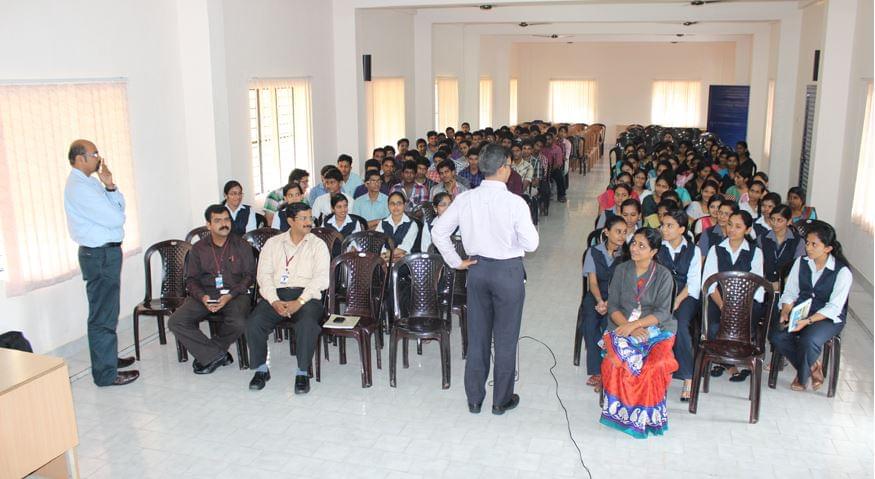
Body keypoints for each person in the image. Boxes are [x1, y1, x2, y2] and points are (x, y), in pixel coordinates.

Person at [432, 143, 539, 415]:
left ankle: (474, 399)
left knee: (478, 336)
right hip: (508, 273)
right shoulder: (516, 202)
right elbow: (532, 243)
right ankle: (500, 401)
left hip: (477, 271)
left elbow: (439, 232)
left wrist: (457, 262)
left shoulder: (466, 199)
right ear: (504, 167)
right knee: (505, 338)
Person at [64, 139, 138, 386]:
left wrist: (110, 186)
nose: (99, 157)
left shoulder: (92, 183)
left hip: (106, 253)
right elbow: (116, 218)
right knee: (102, 315)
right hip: (98, 255)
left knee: (108, 311)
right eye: (94, 153)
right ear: (80, 158)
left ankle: (109, 359)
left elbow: (119, 206)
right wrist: (115, 210)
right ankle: (106, 374)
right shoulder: (79, 187)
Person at [601, 227, 678, 438]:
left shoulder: (663, 275)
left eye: (642, 246)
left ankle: (645, 417)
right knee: (617, 361)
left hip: (657, 330)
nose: (634, 248)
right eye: (634, 243)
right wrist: (627, 327)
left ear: (653, 252)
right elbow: (613, 306)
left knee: (654, 366)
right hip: (622, 325)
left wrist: (635, 326)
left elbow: (663, 312)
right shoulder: (622, 270)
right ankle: (620, 414)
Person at [245, 202, 329, 393]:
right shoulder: (273, 244)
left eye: (310, 218)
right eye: (304, 218)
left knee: (307, 324)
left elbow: (321, 279)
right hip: (277, 294)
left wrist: (299, 301)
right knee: (254, 322)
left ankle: (302, 372)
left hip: (307, 297)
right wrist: (274, 300)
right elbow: (263, 276)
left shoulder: (318, 244)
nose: (309, 222)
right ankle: (261, 368)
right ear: (290, 221)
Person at [168, 205, 256, 374]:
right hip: (206, 293)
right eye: (218, 220)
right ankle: (215, 354)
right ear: (208, 225)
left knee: (238, 322)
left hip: (235, 293)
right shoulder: (199, 248)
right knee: (175, 321)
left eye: (226, 219)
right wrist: (203, 298)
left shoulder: (241, 244)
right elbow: (191, 279)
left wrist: (230, 296)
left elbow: (249, 276)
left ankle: (212, 352)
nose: (224, 224)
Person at [770, 221, 851, 391]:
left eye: (814, 244)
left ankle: (802, 376)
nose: (808, 248)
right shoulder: (801, 262)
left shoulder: (842, 272)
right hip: (802, 310)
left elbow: (835, 307)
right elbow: (790, 291)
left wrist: (807, 322)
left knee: (809, 339)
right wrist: (785, 310)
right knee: (777, 336)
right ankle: (813, 366)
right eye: (807, 243)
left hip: (827, 317)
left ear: (827, 248)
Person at [701, 210, 765, 381]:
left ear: (747, 229)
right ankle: (728, 364)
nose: (732, 229)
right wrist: (724, 306)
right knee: (714, 327)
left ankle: (732, 360)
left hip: (747, 305)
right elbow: (709, 283)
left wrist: (738, 309)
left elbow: (757, 286)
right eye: (730, 224)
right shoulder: (716, 250)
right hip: (719, 301)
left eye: (738, 226)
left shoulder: (755, 252)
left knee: (743, 329)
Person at [657, 209, 702, 401]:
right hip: (661, 294)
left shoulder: (694, 250)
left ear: (682, 229)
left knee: (680, 325)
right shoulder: (657, 247)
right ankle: (657, 375)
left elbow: (693, 283)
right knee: (655, 324)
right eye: (663, 225)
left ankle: (688, 377)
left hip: (686, 296)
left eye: (669, 226)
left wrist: (676, 300)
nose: (664, 229)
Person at [579, 216, 627, 390]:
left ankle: (610, 366)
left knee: (610, 326)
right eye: (617, 231)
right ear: (606, 232)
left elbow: (624, 285)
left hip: (618, 298)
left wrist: (609, 302)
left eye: (624, 232)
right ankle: (596, 370)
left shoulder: (627, 255)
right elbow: (592, 282)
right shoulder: (594, 252)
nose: (621, 236)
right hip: (596, 295)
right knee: (590, 323)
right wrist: (600, 301)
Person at [759, 205, 806, 291]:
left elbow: (798, 268)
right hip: (764, 287)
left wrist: (781, 285)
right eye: (772, 219)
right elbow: (758, 264)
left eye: (779, 220)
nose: (775, 223)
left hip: (789, 288)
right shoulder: (762, 238)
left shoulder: (799, 241)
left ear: (788, 221)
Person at [375, 191, 423, 261]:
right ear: (388, 205)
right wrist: (385, 256)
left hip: (404, 262)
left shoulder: (412, 224)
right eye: (392, 204)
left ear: (404, 205)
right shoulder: (382, 223)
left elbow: (404, 248)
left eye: (399, 203)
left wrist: (386, 255)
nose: (395, 206)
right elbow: (377, 244)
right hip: (384, 261)